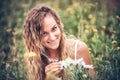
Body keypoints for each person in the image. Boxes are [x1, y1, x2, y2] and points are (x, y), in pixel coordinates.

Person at [23, 5, 94, 80]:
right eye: (44, 33)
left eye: (54, 29)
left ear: (59, 26)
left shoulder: (78, 49)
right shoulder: (32, 58)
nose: (52, 37)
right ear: (35, 37)